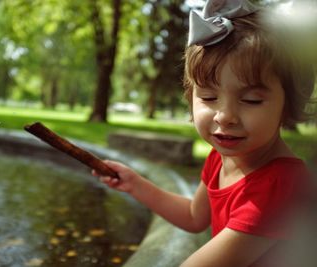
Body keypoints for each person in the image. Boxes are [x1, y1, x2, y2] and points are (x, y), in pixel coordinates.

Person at [93, 0, 316, 266]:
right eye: (209, 97)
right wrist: (135, 184)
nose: (225, 116)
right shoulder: (221, 157)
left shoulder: (280, 184)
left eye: (252, 100)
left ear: (289, 102)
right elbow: (193, 216)